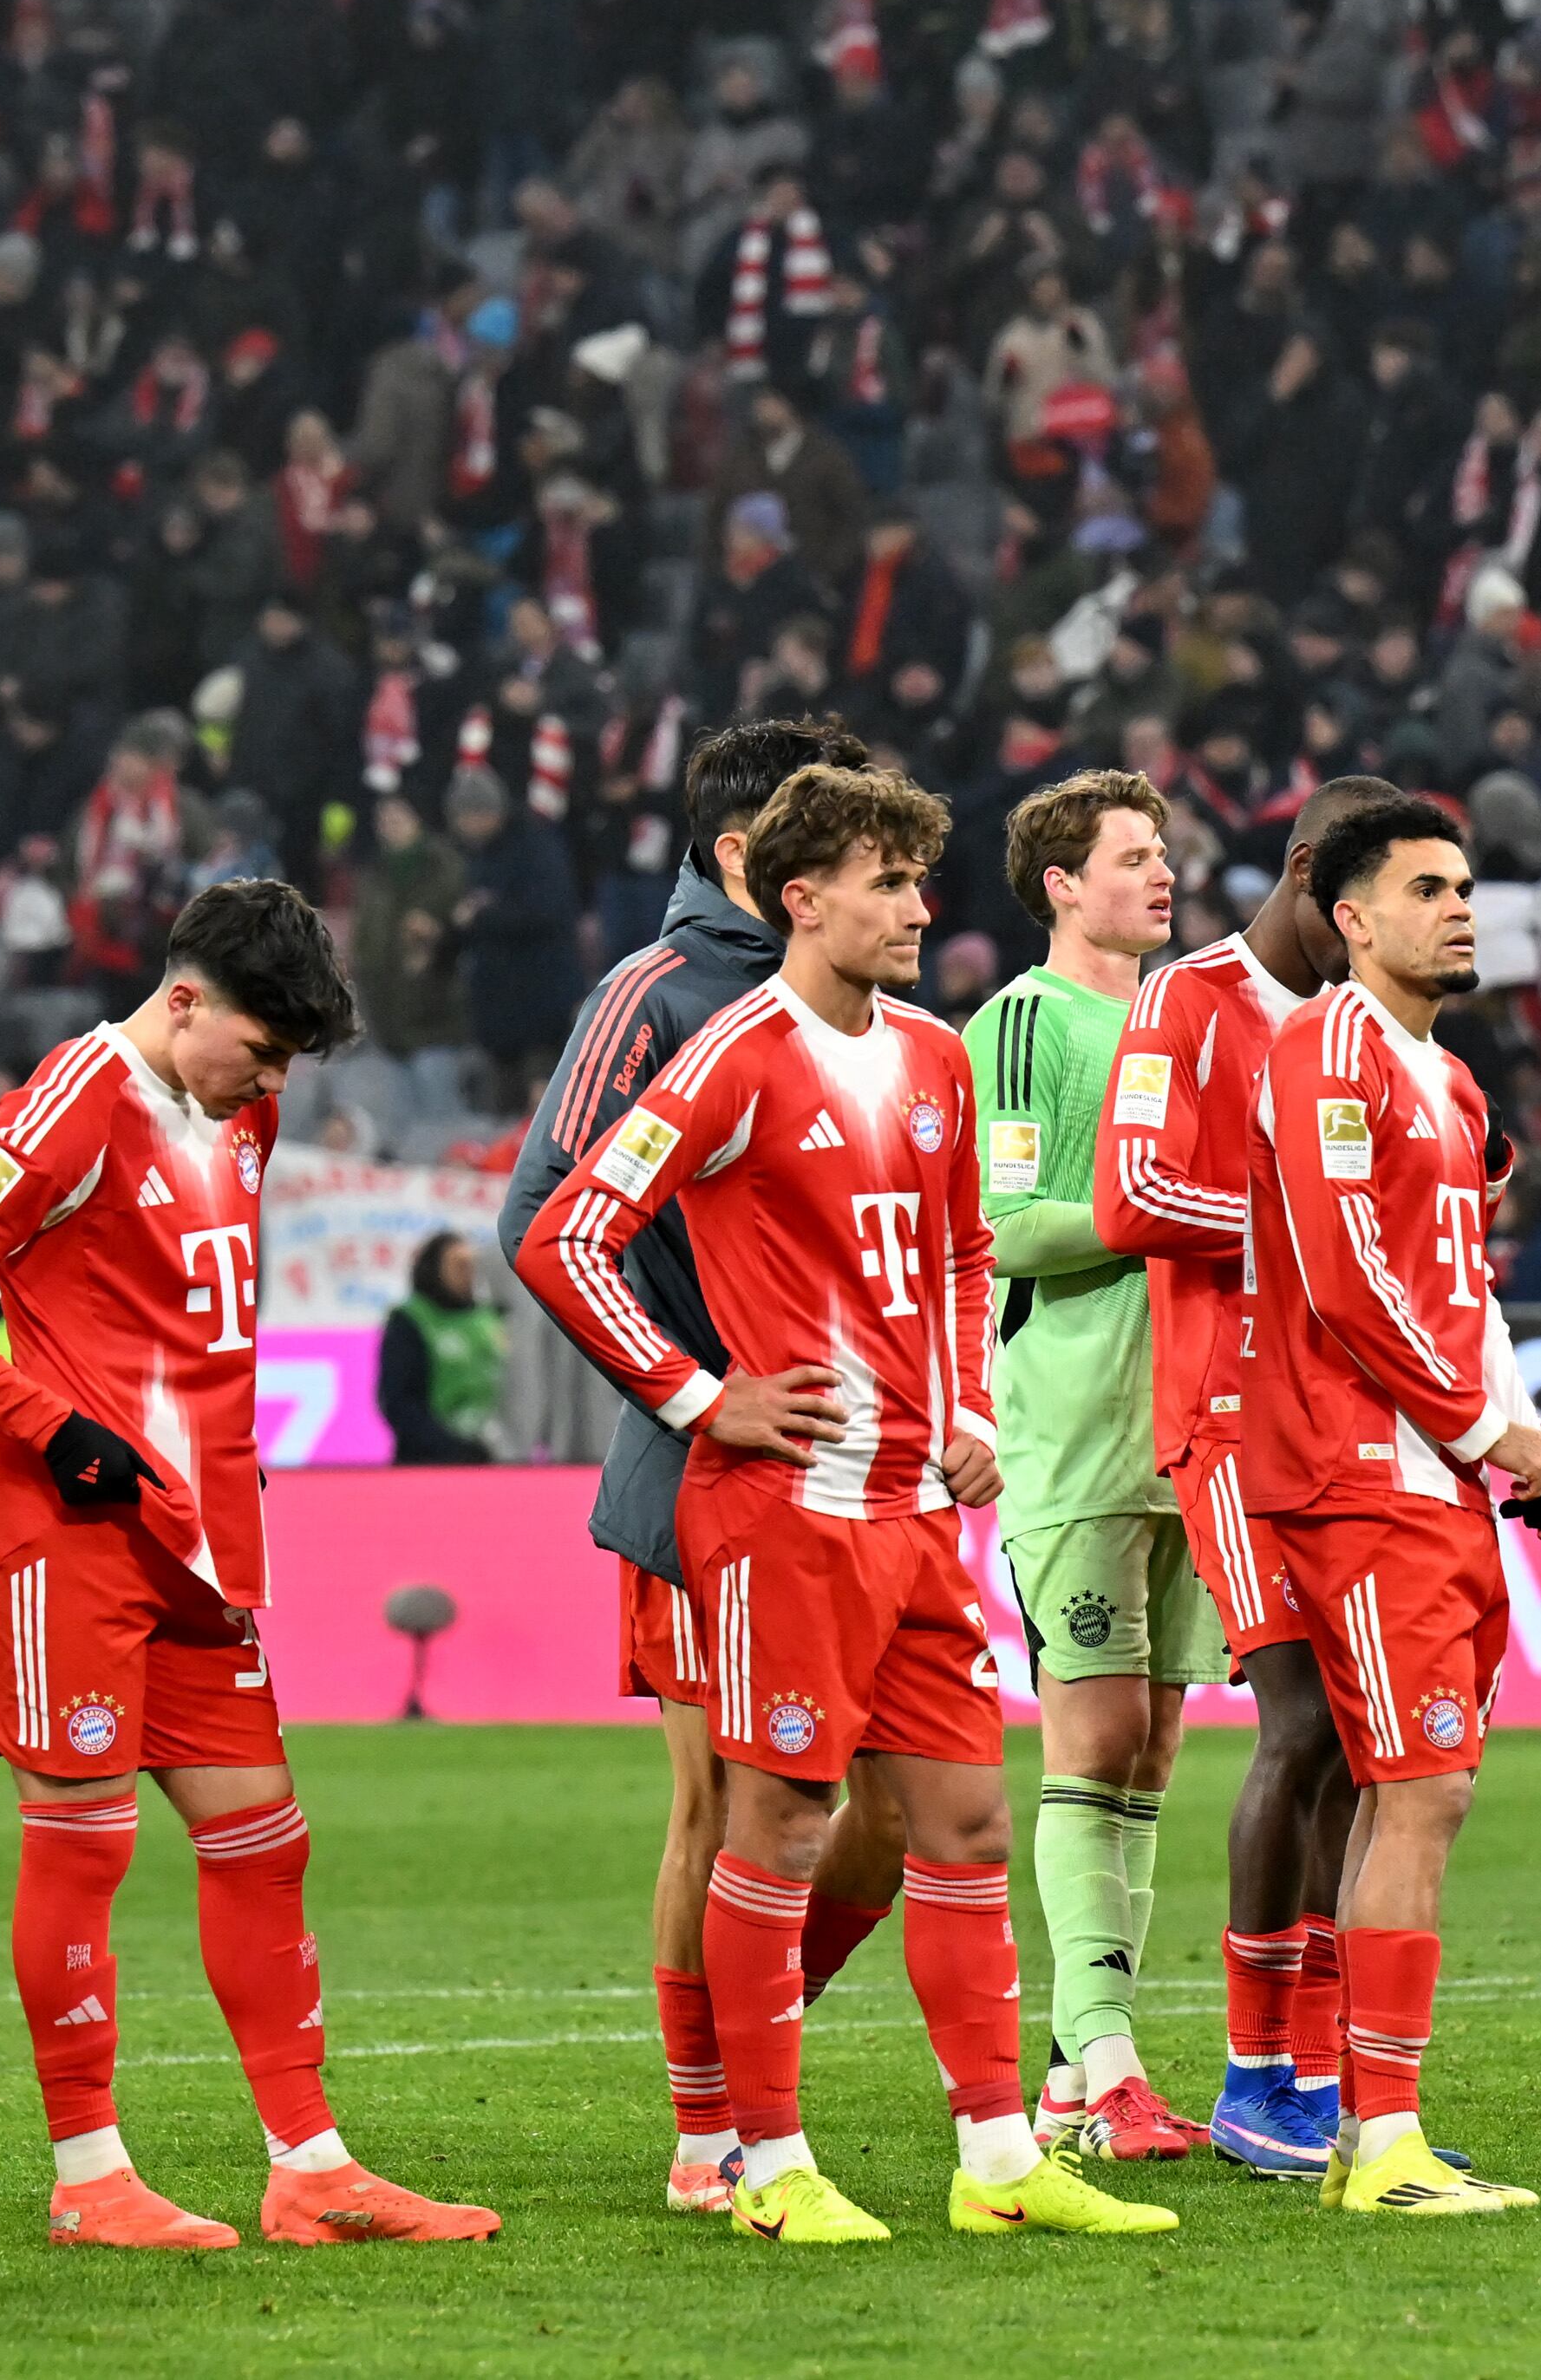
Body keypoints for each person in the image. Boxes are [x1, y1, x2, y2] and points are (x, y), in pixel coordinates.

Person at [517, 764, 1170, 2245]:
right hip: (775, 1511)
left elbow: (954, 1255)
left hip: (908, 1513)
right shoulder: (735, 1055)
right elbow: (567, 1235)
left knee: (963, 1818)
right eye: (888, 883)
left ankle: (999, 2162)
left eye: (920, 883)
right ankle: (766, 2163)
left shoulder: (937, 1058)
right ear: (802, 897)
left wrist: (966, 1407)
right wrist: (697, 1396)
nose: (918, 910)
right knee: (782, 1822)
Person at [0, 883, 498, 2248]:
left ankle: (312, 2167)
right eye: (260, 1050)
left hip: (199, 1536)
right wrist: (48, 1420)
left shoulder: (242, 1107)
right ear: (186, 996)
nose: (271, 1085)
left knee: (265, 1839)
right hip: (63, 1533)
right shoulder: (74, 1098)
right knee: (85, 1848)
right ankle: (90, 2176)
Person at [494, 719, 914, 2215]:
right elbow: (541, 1213)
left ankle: (755, 2052)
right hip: (706, 1473)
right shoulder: (657, 996)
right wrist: (695, 1392)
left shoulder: (864, 1016)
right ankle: (707, 2128)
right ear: (755, 860)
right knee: (727, 1808)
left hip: (869, 1481)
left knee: (902, 1809)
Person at [1244, 797, 1541, 2214]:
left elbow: (1458, 1286)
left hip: (1436, 1478)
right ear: (1354, 918)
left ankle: (1373, 2123)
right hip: (1358, 1474)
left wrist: (1521, 1434)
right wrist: (1475, 1424)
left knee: (1421, 1791)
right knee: (1415, 1788)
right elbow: (1340, 1275)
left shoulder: (1444, 1083)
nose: (1462, 908)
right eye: (1428, 888)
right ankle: (1376, 2133)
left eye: (1468, 887)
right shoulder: (1327, 1047)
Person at [1089, 773, 1407, 2178]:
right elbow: (1131, 1198)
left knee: (1358, 1734)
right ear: (1303, 880)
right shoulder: (1186, 1003)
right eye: (1366, 903)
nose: (1382, 928)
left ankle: (1319, 2062)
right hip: (1226, 1413)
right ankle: (1256, 2067)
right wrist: (1312, 1225)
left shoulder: (1371, 1027)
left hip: (1354, 1421)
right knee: (1299, 1725)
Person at [963, 770, 1216, 2166]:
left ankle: (1079, 2073)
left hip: (1185, 1420)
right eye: (1131, 856)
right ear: (1061, 884)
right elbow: (1002, 1220)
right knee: (1094, 1737)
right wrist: (1161, 1215)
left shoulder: (1181, 1021)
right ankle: (1104, 2064)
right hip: (1074, 1419)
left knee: (1156, 1748)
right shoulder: (1021, 1020)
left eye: (1164, 852)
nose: (1160, 873)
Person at [376, 1231, 505, 1464]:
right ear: (434, 1269)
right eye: (459, 1266)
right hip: (427, 1459)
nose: (468, 1274)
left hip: (488, 1454)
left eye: (472, 1266)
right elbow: (399, 1401)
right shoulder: (410, 1321)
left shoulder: (489, 1319)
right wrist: (450, 1448)